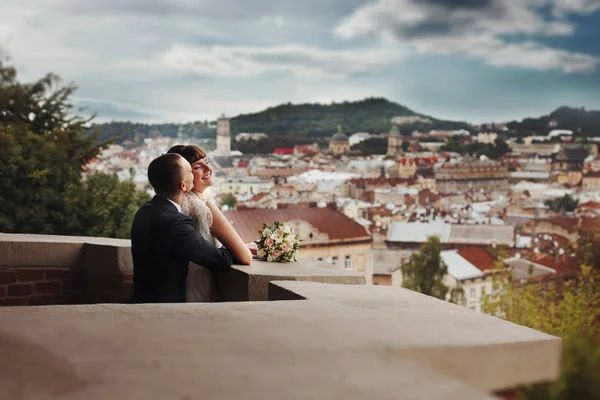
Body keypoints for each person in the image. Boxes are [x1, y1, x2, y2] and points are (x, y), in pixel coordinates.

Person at [128, 153, 236, 303]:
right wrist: (235, 246)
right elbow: (220, 259)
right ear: (183, 185)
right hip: (163, 309)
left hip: (141, 299)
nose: (194, 174)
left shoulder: (145, 210)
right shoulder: (174, 223)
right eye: (190, 171)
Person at [167, 144, 252, 302]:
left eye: (207, 161)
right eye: (197, 166)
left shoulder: (176, 204)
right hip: (200, 285)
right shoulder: (203, 207)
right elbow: (245, 256)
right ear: (183, 175)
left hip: (179, 287)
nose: (208, 168)